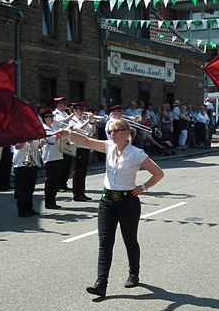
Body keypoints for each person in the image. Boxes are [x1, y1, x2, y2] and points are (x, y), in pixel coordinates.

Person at [54, 117, 164, 299]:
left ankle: (134, 273)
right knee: (105, 243)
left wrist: (143, 188)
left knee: (130, 240)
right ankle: (101, 284)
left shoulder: (136, 153)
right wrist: (68, 133)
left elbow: (158, 173)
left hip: (128, 201)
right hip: (107, 202)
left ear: (126, 134)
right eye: (110, 131)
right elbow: (86, 141)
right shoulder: (108, 146)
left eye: (115, 131)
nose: (111, 134)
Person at [13, 136, 42, 217]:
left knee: (30, 189)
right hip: (21, 164)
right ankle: (22, 211)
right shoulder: (17, 133)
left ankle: (29, 208)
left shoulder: (34, 134)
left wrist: (41, 143)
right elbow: (17, 146)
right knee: (22, 189)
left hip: (33, 164)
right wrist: (26, 140)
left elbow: (37, 147)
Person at [42, 111, 67, 209]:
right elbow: (51, 140)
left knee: (55, 180)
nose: (51, 118)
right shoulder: (44, 128)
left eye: (52, 116)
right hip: (49, 157)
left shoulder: (54, 127)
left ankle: (53, 200)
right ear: (44, 118)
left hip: (58, 155)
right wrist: (58, 135)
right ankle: (49, 202)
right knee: (50, 181)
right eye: (48, 117)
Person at [69, 102, 93, 201]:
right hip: (77, 148)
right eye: (79, 109)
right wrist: (87, 122)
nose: (81, 111)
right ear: (74, 111)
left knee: (83, 172)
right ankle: (76, 194)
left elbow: (91, 133)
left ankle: (82, 193)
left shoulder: (83, 120)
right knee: (78, 172)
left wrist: (91, 122)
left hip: (85, 147)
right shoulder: (71, 121)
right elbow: (77, 130)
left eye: (82, 109)